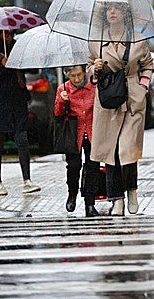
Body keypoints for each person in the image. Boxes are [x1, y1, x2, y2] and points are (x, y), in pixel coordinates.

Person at [88, 1, 154, 216]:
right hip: (108, 100)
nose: (113, 12)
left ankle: (132, 191)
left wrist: (142, 87)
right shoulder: (96, 40)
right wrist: (95, 68)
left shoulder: (137, 38)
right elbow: (89, 68)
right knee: (111, 152)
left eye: (117, 9)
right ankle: (116, 199)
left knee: (128, 150)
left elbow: (148, 65)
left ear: (125, 13)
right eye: (109, 9)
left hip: (132, 99)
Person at [0, 29, 41, 195]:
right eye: (5, 34)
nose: (9, 37)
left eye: (11, 34)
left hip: (17, 102)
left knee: (22, 139)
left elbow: (31, 70)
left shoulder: (17, 50)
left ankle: (27, 180)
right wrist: (2, 67)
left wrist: (24, 59)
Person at [54, 65, 100, 217]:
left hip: (93, 131)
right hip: (74, 134)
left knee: (93, 167)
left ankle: (90, 203)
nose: (77, 79)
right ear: (67, 75)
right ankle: (72, 194)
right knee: (74, 166)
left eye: (79, 74)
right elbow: (57, 114)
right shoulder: (63, 89)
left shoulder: (94, 85)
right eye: (72, 76)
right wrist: (62, 100)